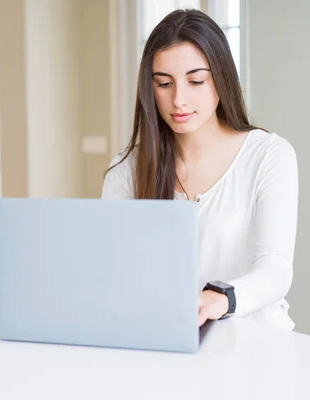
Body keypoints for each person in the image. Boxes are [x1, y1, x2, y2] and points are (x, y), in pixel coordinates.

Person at [101, 9, 298, 331]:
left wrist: (219, 299)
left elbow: (275, 269)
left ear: (220, 79)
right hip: (167, 342)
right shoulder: (127, 169)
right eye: (164, 83)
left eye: (195, 81)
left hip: (257, 344)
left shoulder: (269, 156)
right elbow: (113, 266)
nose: (179, 99)